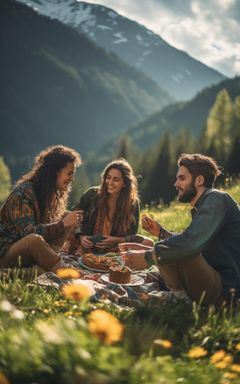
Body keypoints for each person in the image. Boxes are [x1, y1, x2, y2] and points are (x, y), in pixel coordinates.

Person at [123, 153, 240, 304]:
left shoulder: (216, 199)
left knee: (164, 250)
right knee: (167, 248)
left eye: (182, 178)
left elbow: (189, 244)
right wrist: (161, 233)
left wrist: (149, 257)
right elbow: (191, 241)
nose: (176, 184)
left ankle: (181, 301)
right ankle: (181, 297)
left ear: (199, 180)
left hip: (226, 290)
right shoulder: (205, 205)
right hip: (215, 279)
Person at [0, 145, 83, 273]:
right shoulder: (23, 194)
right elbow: (29, 234)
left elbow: (50, 224)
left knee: (66, 215)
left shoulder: (47, 192)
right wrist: (63, 224)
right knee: (35, 239)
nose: (72, 178)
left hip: (29, 251)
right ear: (54, 173)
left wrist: (67, 224)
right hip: (5, 252)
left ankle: (47, 264)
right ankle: (64, 272)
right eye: (69, 173)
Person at [74, 158, 153, 254]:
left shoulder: (133, 203)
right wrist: (81, 236)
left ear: (124, 183)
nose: (110, 183)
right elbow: (74, 215)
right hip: (87, 243)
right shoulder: (92, 194)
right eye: (108, 177)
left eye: (116, 180)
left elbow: (132, 234)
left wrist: (115, 240)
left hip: (114, 247)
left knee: (149, 243)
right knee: (66, 225)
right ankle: (82, 250)